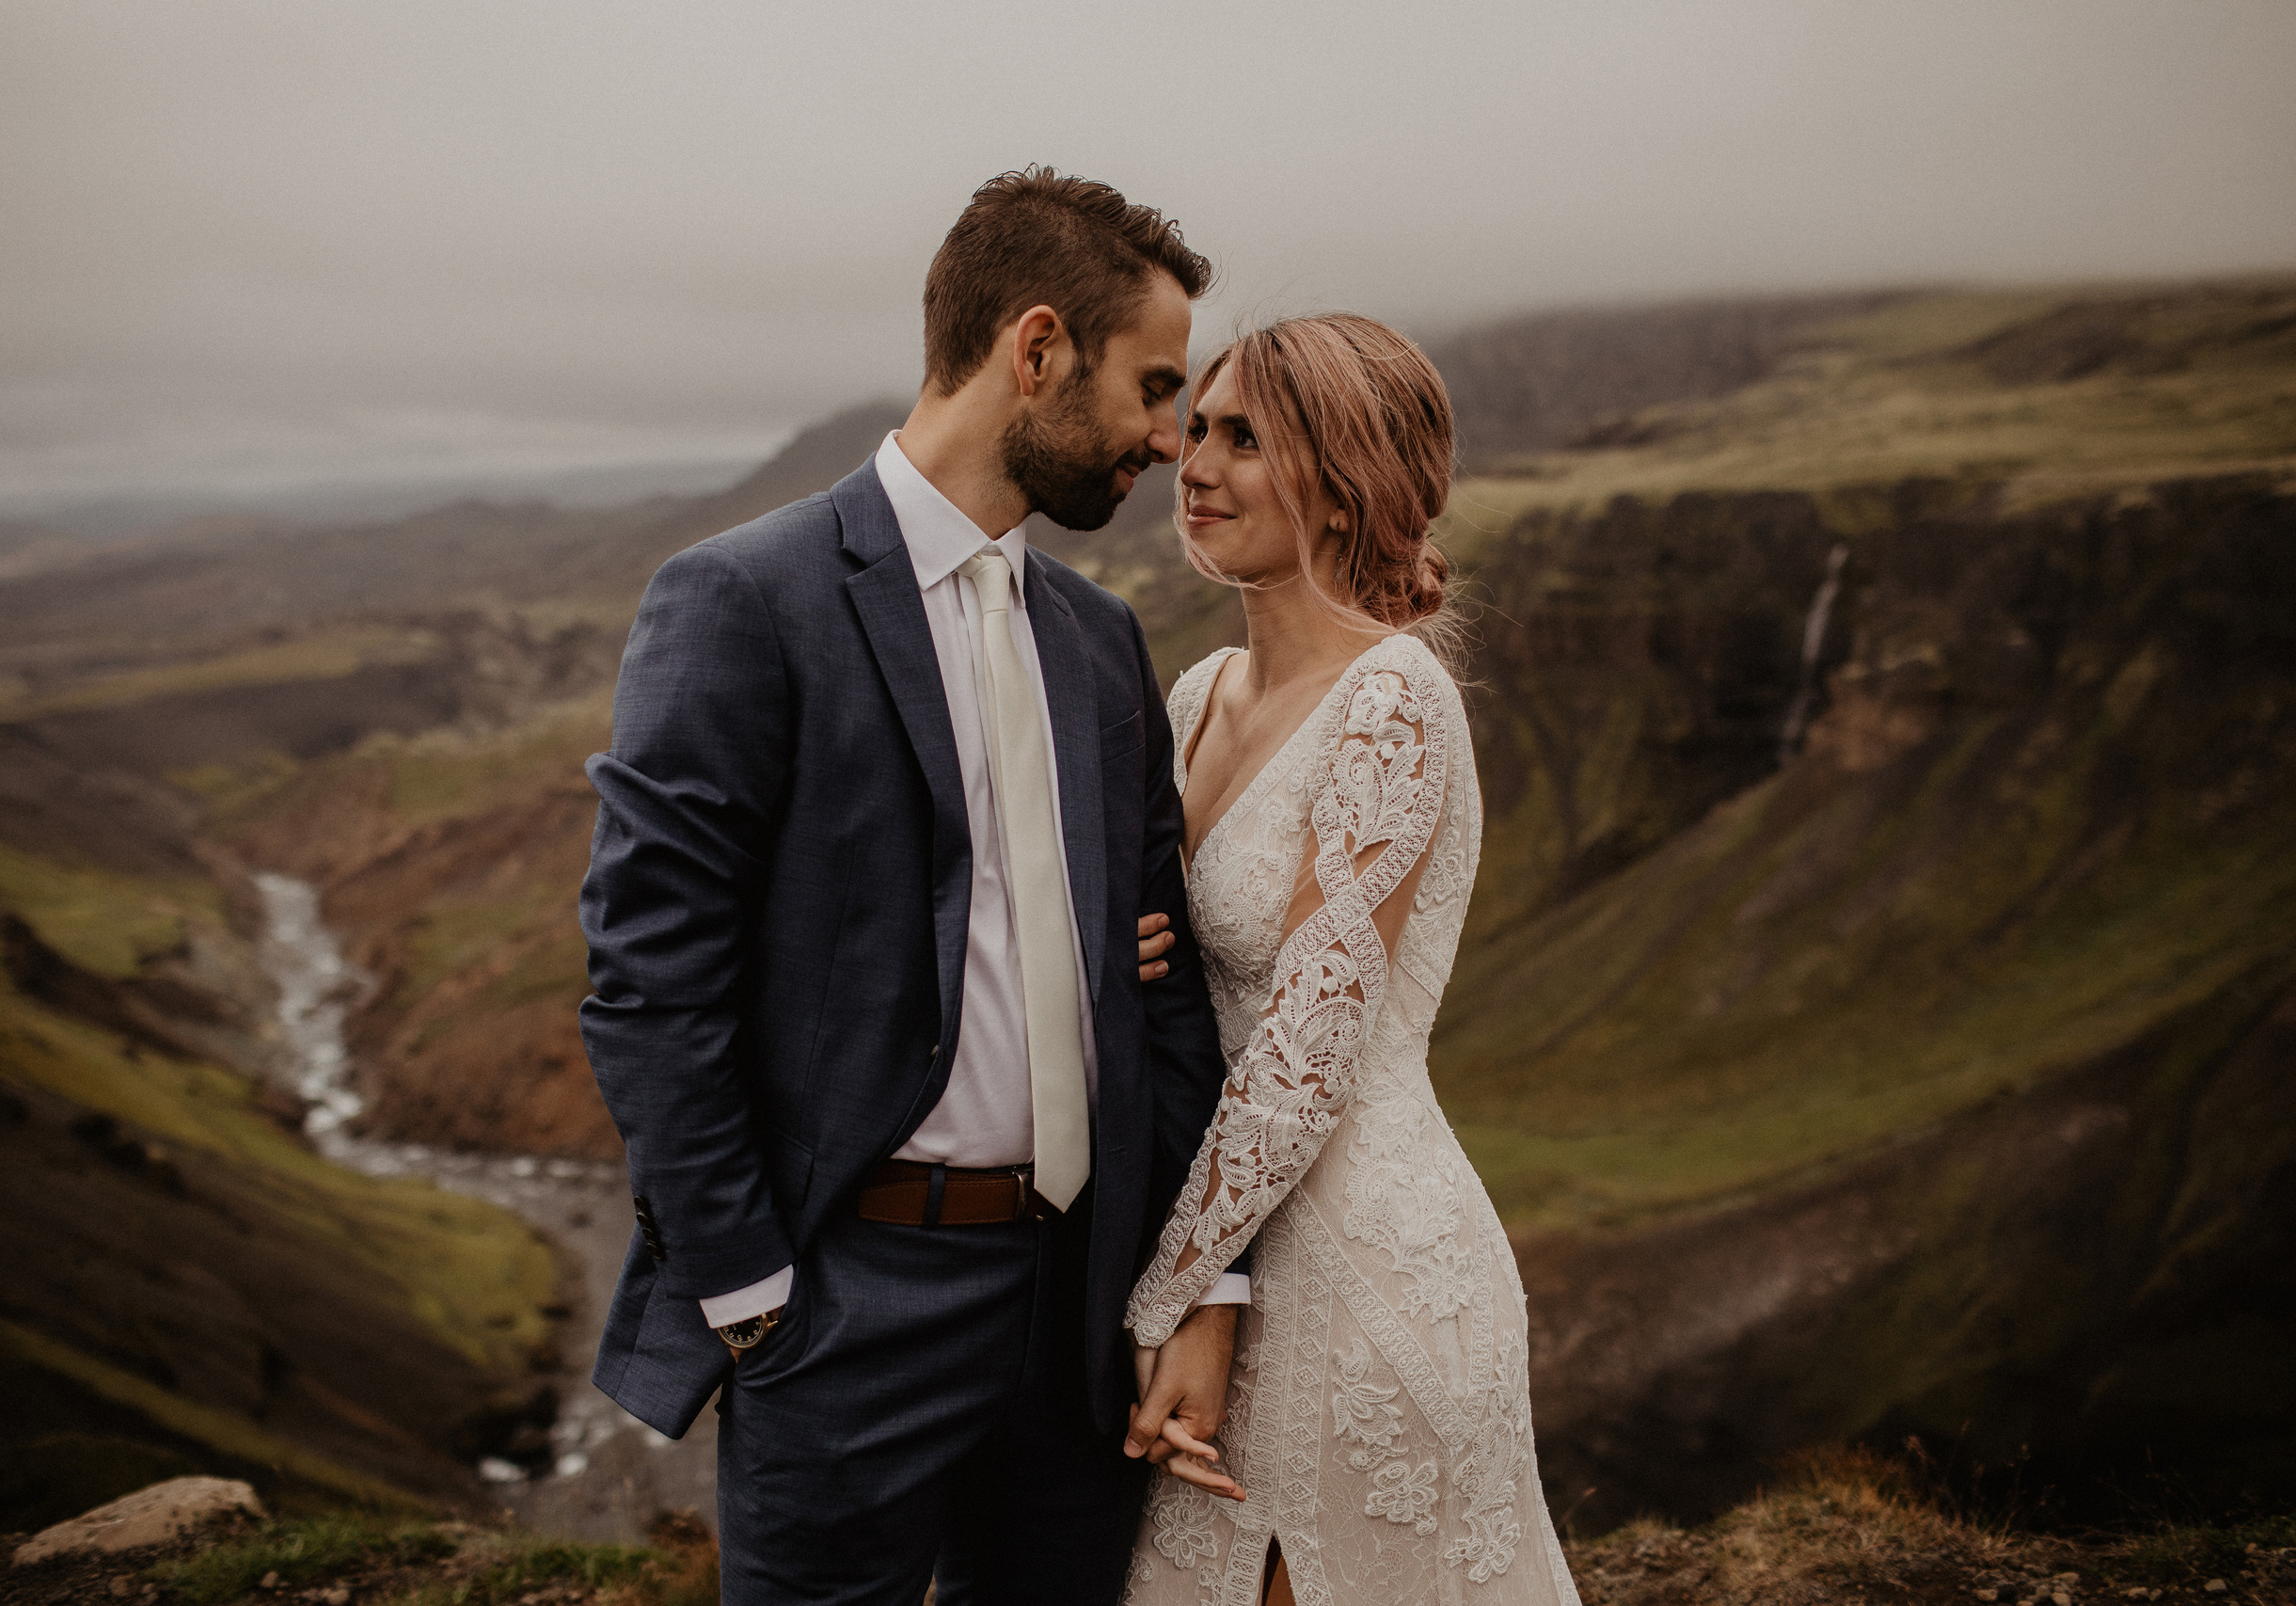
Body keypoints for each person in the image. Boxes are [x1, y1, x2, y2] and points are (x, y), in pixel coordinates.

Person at [576, 167, 1248, 1605]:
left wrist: (1190, 1278)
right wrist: (755, 1300)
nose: (1166, 438)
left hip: (1076, 1317)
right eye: (1153, 386)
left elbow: (1168, 979)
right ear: (1038, 348)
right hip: (846, 1314)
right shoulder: (745, 600)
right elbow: (649, 986)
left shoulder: (1099, 641)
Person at [1115, 315, 1583, 1606]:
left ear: (1344, 478)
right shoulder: (1197, 693)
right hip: (1229, 1246)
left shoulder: (1393, 700)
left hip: (1361, 1266)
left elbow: (1307, 1054)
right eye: (1197, 428)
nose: (1194, 463)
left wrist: (1179, 1296)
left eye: (1244, 438)